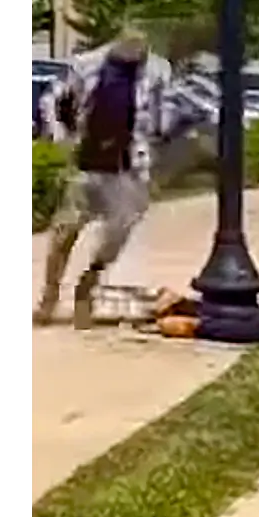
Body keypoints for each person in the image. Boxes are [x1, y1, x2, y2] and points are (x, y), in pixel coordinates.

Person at [32, 26, 177, 330]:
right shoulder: (86, 65)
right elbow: (51, 101)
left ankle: (89, 282)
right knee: (64, 232)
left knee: (118, 232)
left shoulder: (158, 70)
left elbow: (163, 112)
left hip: (128, 167)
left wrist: (158, 137)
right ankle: (50, 296)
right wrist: (61, 137)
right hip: (88, 162)